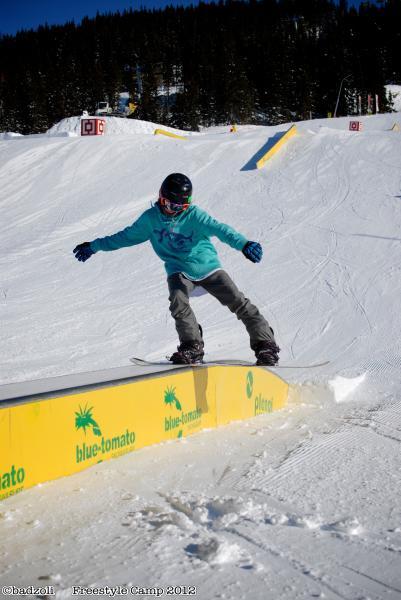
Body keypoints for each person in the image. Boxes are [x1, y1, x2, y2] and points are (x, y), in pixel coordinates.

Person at [73, 173, 280, 365]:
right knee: (178, 301)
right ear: (161, 197)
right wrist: (94, 246)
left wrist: (243, 244)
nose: (173, 210)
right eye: (169, 204)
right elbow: (124, 237)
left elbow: (221, 229)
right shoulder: (150, 219)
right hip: (178, 269)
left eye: (180, 207)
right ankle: (192, 345)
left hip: (207, 267)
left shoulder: (194, 215)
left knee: (238, 301)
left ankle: (265, 345)